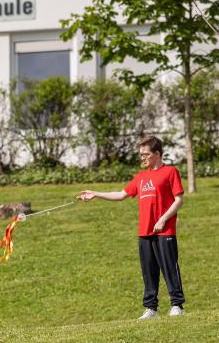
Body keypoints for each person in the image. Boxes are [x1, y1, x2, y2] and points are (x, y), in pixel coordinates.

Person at [77, 136, 186, 320]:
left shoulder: (170, 172)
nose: (142, 158)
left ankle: (177, 305)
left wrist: (163, 219)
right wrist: (95, 194)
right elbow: (121, 194)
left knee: (169, 268)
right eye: (141, 155)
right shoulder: (141, 177)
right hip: (144, 232)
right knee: (148, 271)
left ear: (157, 154)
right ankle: (151, 309)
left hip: (164, 231)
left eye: (146, 155)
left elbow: (179, 200)